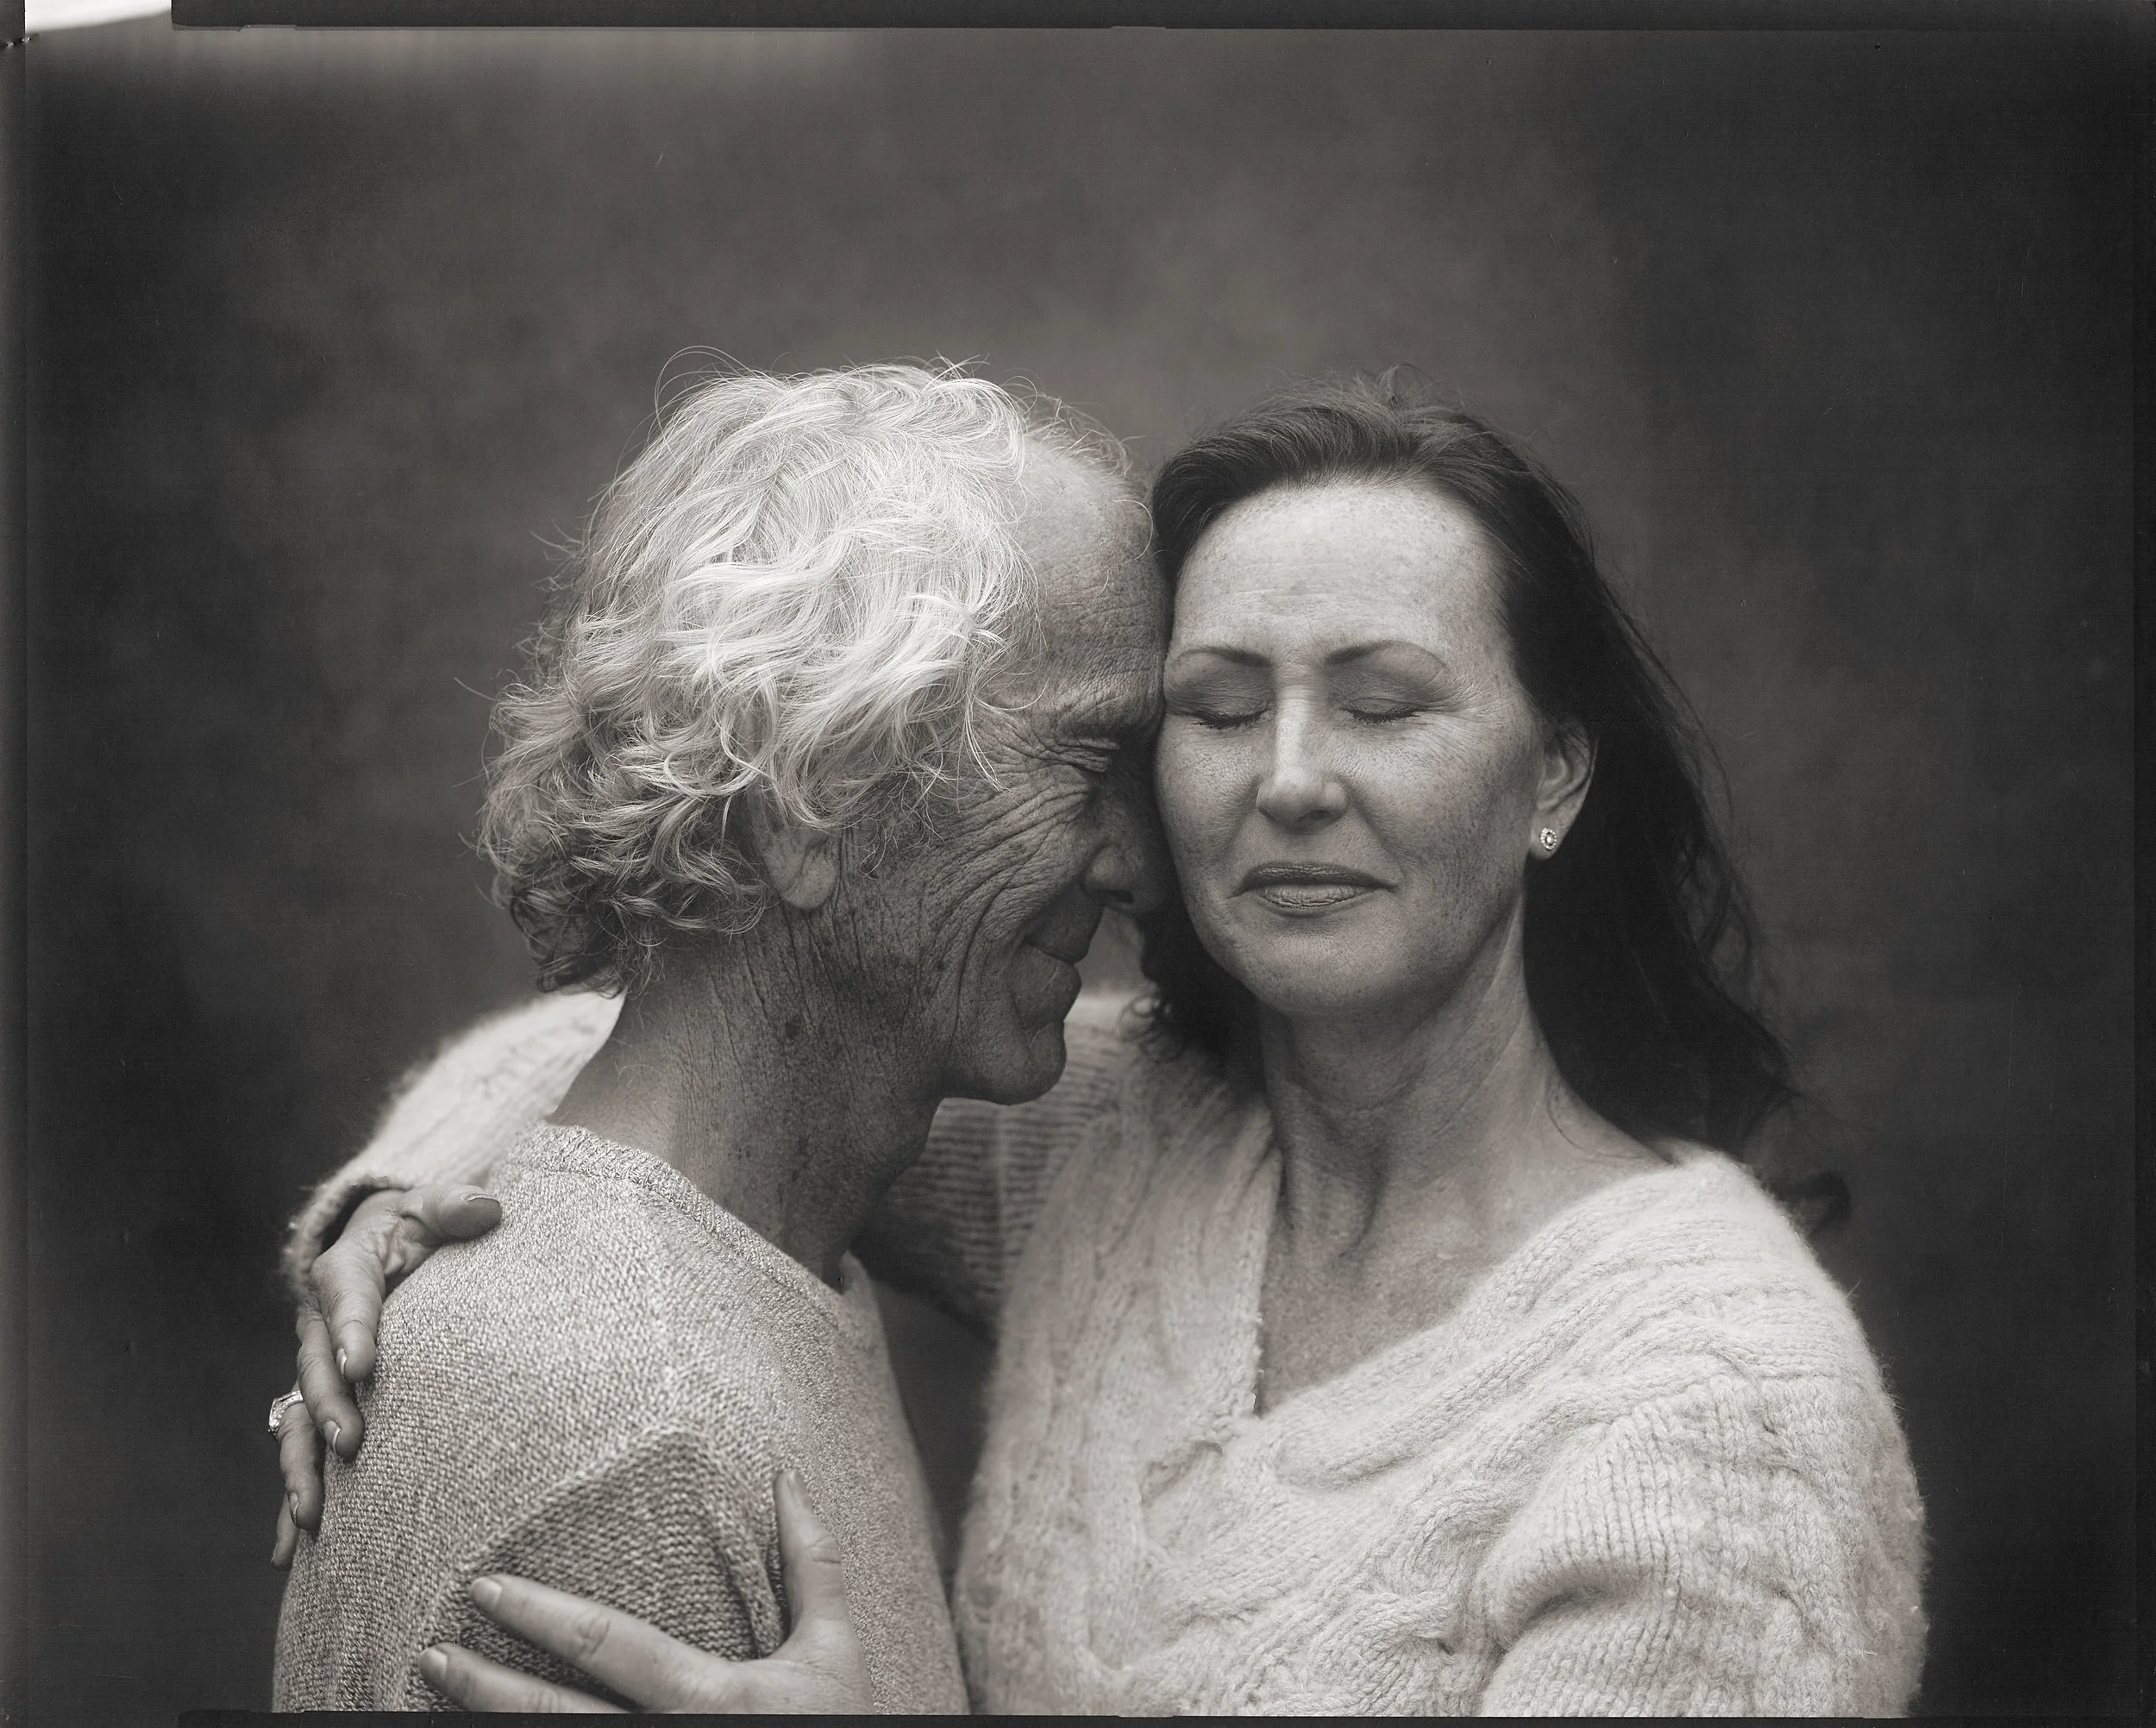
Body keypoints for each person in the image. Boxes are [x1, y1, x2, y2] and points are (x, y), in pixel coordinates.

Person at [277, 373, 1927, 1715]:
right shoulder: (1119, 1139)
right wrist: (404, 1224)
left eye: (1382, 702)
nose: (1287, 777)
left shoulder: (1722, 1422)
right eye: (1213, 708)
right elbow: (702, 1032)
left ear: (1555, 775)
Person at [266, 361, 1165, 1711]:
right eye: (1088, 768)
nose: (1141, 867)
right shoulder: (635, 1433)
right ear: (811, 795)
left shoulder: (759, 1279)